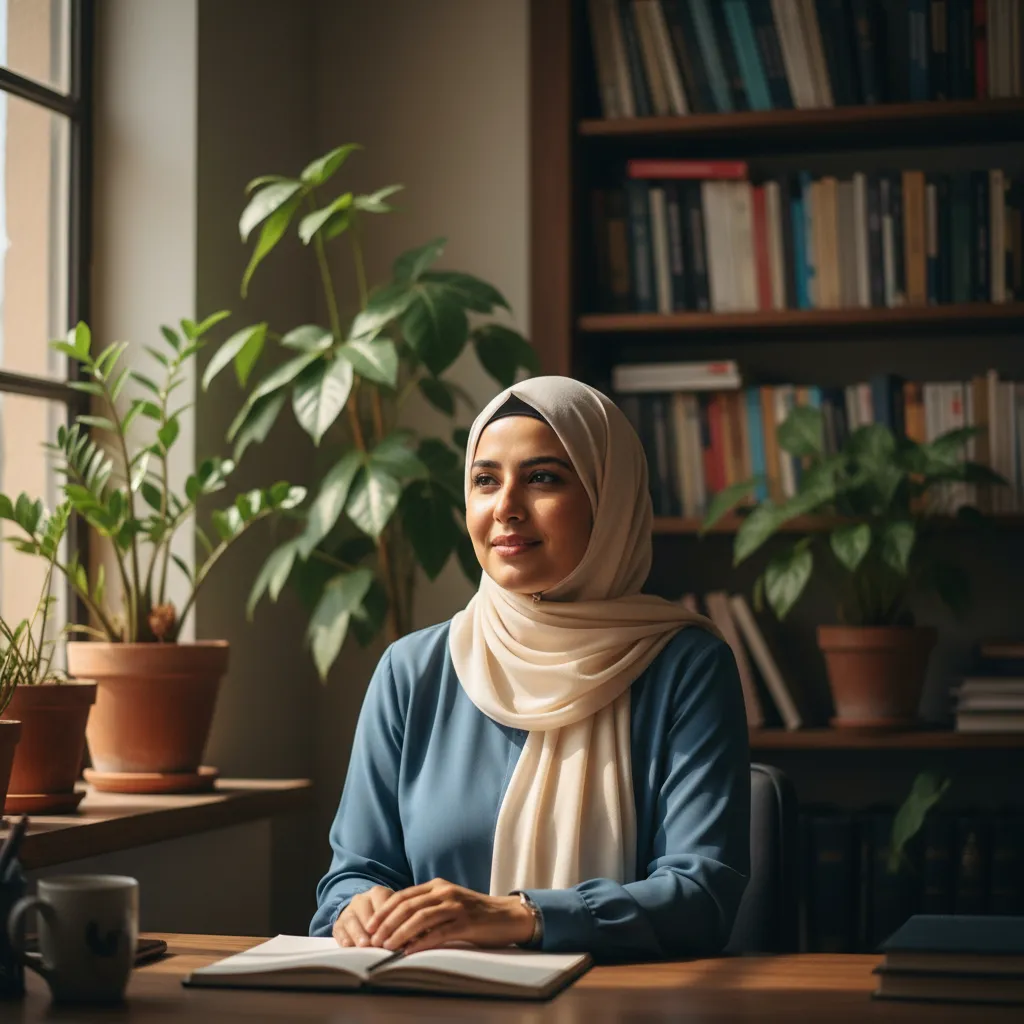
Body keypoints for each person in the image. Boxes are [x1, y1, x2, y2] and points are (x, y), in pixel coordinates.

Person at [310, 376, 750, 960]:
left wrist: (519, 916)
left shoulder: (685, 667)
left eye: (543, 479)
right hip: (430, 1001)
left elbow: (700, 897)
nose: (506, 508)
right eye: (485, 480)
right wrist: (359, 909)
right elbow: (353, 875)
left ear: (608, 499)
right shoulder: (412, 671)